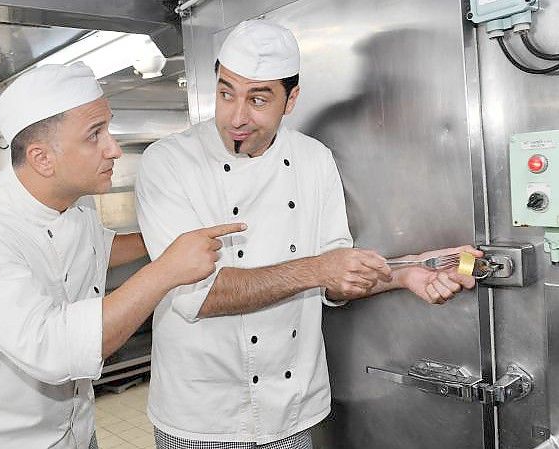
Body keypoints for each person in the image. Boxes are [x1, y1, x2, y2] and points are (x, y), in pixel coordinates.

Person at [134, 19, 482, 449]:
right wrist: (318, 268)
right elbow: (198, 295)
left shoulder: (313, 158)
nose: (237, 117)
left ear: (291, 99)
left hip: (294, 408)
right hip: (203, 413)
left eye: (258, 99)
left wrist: (406, 273)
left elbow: (334, 275)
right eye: (226, 93)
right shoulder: (167, 164)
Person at [0, 62, 245, 449]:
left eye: (108, 128)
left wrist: (174, 237)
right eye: (94, 135)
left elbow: (101, 248)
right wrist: (167, 269)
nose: (113, 148)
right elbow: (51, 348)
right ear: (42, 158)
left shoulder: (77, 205)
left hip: (77, 430)